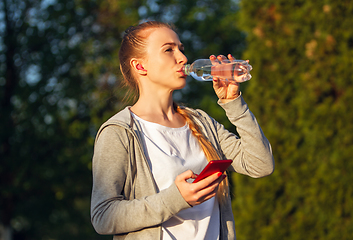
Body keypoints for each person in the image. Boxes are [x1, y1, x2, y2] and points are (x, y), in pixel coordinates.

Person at [90, 21, 274, 240]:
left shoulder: (201, 122)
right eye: (168, 50)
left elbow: (260, 164)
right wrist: (176, 198)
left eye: (181, 49)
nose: (183, 58)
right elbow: (102, 216)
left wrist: (233, 102)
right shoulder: (120, 132)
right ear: (140, 66)